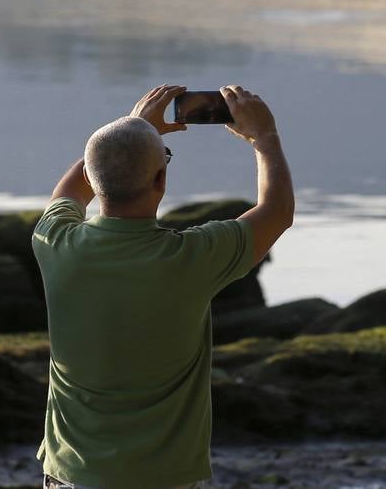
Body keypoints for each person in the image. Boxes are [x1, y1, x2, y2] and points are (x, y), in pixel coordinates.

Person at [31, 84, 294, 489]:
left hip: (70, 475)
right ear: (160, 180)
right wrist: (265, 137)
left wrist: (132, 128)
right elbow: (276, 212)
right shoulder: (192, 258)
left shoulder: (54, 241)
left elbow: (71, 190)